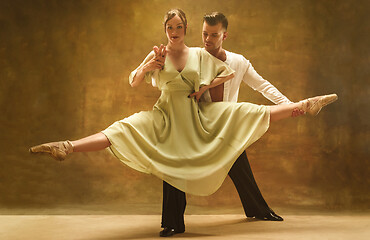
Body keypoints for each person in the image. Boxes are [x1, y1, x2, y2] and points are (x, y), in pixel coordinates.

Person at [29, 9, 338, 237]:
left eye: (180, 27)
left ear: (188, 29)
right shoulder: (159, 54)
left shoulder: (205, 57)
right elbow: (133, 81)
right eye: (171, 27)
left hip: (201, 118)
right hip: (168, 117)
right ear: (167, 29)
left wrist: (203, 88)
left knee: (248, 111)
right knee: (124, 130)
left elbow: (235, 75)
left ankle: (303, 107)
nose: (176, 31)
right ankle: (66, 146)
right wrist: (147, 66)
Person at [159, 12, 305, 237]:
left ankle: (258, 210)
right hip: (197, 124)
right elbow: (173, 88)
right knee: (175, 164)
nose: (207, 39)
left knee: (240, 166)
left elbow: (262, 86)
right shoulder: (192, 58)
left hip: (227, 124)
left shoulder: (238, 61)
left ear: (224, 35)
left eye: (214, 35)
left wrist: (289, 105)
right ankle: (172, 222)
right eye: (204, 34)